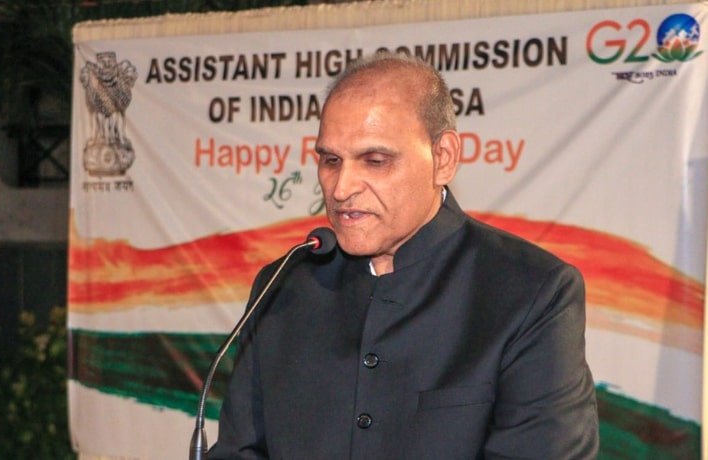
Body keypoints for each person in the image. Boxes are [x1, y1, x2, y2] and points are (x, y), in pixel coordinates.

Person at [208, 52, 599, 459]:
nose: (341, 188)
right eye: (331, 160)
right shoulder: (283, 287)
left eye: (375, 161)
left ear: (443, 158)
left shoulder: (531, 292)